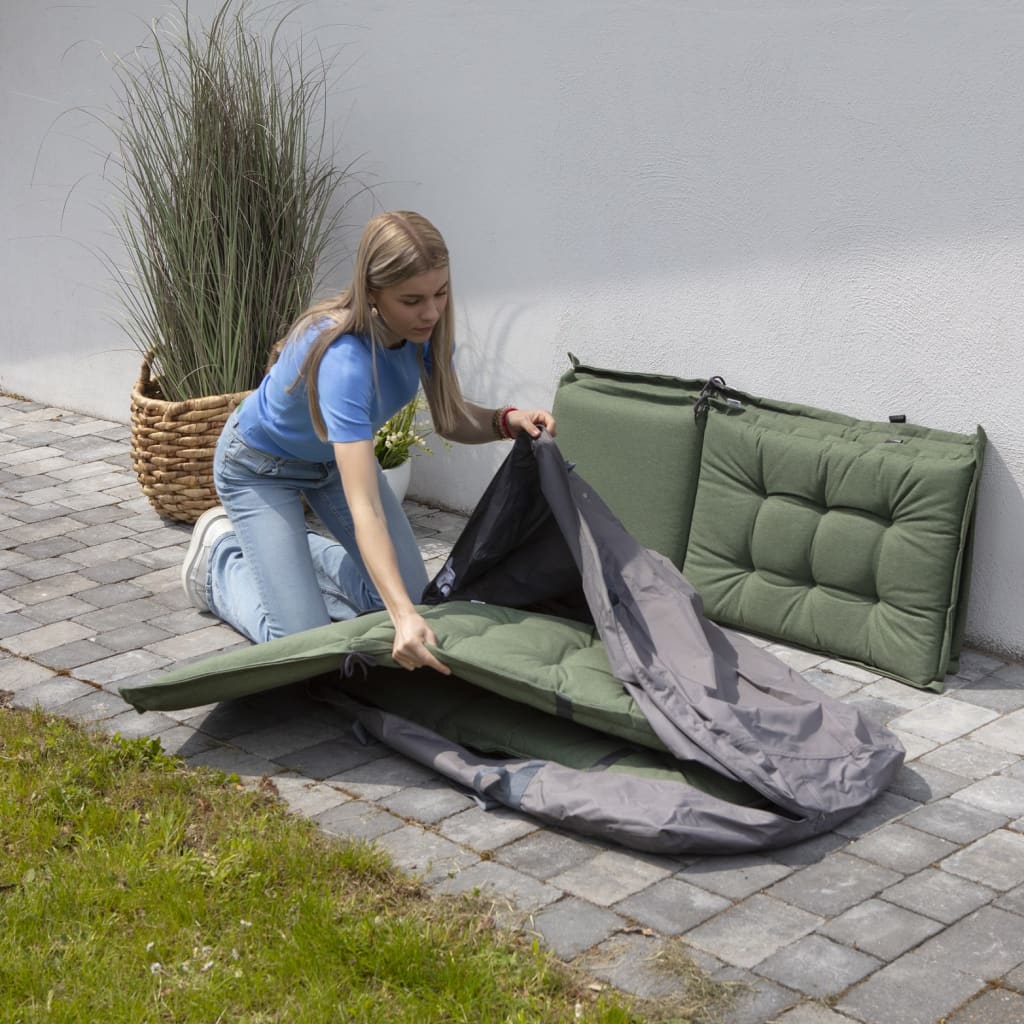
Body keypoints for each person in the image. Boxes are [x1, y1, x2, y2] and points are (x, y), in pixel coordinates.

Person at [180, 210, 556, 674]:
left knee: (416, 599)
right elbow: (367, 510)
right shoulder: (344, 362)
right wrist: (402, 617)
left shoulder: (423, 335)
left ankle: (293, 551)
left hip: (331, 465)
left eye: (440, 293)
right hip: (259, 469)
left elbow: (450, 419)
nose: (431, 312)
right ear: (372, 292)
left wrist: (507, 420)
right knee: (304, 646)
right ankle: (218, 562)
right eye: (412, 300)